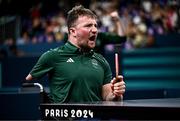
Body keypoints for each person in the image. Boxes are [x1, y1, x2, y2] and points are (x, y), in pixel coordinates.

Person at [25, 5, 126, 103]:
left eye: (95, 26)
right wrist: (46, 100)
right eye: (88, 26)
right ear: (73, 31)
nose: (95, 30)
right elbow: (27, 82)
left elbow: (108, 97)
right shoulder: (52, 56)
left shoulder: (101, 61)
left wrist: (116, 94)